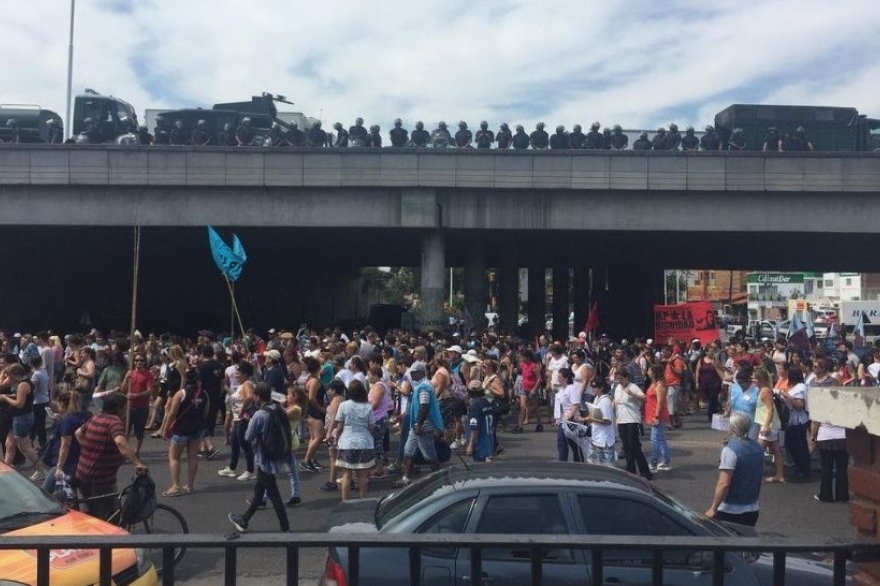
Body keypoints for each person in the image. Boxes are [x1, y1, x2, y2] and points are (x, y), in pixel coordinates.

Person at [74, 393, 148, 521]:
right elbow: (120, 442)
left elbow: (78, 434)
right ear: (119, 409)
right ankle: (106, 539)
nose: (127, 409)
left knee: (92, 512)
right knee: (109, 516)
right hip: (101, 478)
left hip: (82, 474)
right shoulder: (114, 422)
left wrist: (91, 448)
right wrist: (137, 463)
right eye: (126, 407)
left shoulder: (95, 418)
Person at [228, 383, 290, 533]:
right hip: (277, 454)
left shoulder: (259, 415)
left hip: (264, 458)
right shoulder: (277, 409)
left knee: (273, 494)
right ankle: (244, 519)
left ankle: (285, 527)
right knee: (260, 490)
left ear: (258, 396)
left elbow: (248, 436)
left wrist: (250, 422)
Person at [704, 412, 763, 527]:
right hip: (752, 508)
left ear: (732, 428)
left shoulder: (730, 450)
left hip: (730, 510)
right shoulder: (758, 447)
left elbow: (724, 484)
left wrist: (713, 509)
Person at [395, 361, 444, 487]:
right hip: (416, 425)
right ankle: (406, 477)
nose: (411, 374)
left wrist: (419, 425)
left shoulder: (424, 387)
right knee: (409, 451)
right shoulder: (419, 385)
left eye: (413, 372)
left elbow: (424, 406)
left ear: (420, 373)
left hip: (423, 426)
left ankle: (438, 479)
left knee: (429, 454)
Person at [162, 368, 208, 497]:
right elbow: (205, 412)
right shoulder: (204, 394)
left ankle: (176, 485)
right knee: (192, 457)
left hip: (181, 429)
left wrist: (166, 428)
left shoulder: (180, 394)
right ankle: (190, 485)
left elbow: (172, 413)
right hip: (197, 429)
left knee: (174, 456)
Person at [0, 364, 48, 480]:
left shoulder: (23, 385)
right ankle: (6, 471)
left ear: (17, 375)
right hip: (19, 417)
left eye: (11, 377)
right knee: (9, 444)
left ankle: (40, 470)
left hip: (22, 418)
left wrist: (5, 398)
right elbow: (18, 396)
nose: (10, 380)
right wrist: (8, 394)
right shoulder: (24, 383)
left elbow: (19, 404)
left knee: (25, 446)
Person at [329, 379, 375, 500]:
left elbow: (340, 425)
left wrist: (336, 439)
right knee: (362, 475)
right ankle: (363, 499)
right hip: (364, 442)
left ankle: (345, 501)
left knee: (346, 475)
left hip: (347, 442)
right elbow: (371, 426)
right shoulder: (368, 407)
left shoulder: (344, 405)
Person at [811, 358, 848, 502]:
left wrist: (813, 438)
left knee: (826, 468)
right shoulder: (845, 402)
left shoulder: (822, 402)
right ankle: (842, 495)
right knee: (841, 468)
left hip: (825, 436)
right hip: (842, 436)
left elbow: (815, 422)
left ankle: (825, 495)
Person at [42, 390, 89, 498]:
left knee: (46, 494)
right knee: (85, 495)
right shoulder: (86, 416)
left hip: (68, 464)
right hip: (83, 461)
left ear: (62, 404)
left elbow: (65, 445)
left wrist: (59, 467)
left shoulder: (67, 421)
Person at [217, 361, 256, 480]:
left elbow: (250, 397)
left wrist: (242, 410)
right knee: (234, 444)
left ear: (245, 374)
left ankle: (249, 471)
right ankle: (231, 468)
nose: (236, 376)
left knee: (245, 445)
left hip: (243, 419)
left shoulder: (247, 384)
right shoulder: (242, 384)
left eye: (238, 373)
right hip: (237, 419)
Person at [613, 368, 652, 479]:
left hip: (632, 419)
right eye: (617, 379)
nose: (619, 381)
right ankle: (631, 471)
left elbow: (644, 399)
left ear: (626, 377)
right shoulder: (617, 388)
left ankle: (645, 471)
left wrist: (633, 394)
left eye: (621, 378)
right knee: (626, 446)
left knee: (634, 446)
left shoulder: (633, 386)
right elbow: (616, 402)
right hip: (621, 419)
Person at [753, 367, 784, 484]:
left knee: (758, 450)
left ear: (760, 379)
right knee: (776, 450)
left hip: (769, 425)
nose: (752, 381)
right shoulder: (763, 389)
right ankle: (779, 475)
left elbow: (770, 409)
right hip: (770, 424)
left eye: (754, 379)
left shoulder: (765, 391)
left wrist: (766, 426)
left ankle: (754, 474)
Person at [120, 352, 154, 456]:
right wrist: (126, 378)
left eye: (141, 360)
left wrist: (136, 395)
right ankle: (125, 451)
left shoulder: (148, 374)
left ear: (144, 362)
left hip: (141, 408)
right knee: (125, 431)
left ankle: (137, 451)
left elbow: (150, 391)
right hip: (129, 407)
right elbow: (122, 389)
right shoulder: (130, 373)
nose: (138, 362)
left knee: (139, 432)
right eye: (136, 360)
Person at [782, 367, 810, 478]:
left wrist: (788, 397)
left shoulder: (800, 388)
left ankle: (804, 469)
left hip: (799, 421)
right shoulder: (794, 387)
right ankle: (800, 466)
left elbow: (799, 406)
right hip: (792, 421)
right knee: (791, 445)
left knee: (800, 446)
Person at [581, 377, 615, 465]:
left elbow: (608, 421)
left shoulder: (605, 401)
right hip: (597, 437)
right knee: (595, 463)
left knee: (607, 467)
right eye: (591, 386)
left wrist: (591, 419)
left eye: (594, 386)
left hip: (605, 440)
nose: (592, 388)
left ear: (601, 388)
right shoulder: (597, 398)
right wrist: (584, 419)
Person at [646, 364, 671, 472]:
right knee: (660, 439)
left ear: (654, 372)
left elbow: (660, 402)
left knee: (655, 439)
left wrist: (656, 416)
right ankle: (666, 461)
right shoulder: (654, 383)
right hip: (653, 413)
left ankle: (654, 463)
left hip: (658, 415)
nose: (648, 372)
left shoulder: (659, 385)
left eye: (649, 370)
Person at [553, 368, 582, 462]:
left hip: (572, 420)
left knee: (574, 445)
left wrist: (569, 416)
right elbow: (559, 407)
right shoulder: (561, 389)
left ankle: (579, 465)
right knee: (561, 443)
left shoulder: (572, 388)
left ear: (566, 378)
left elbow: (576, 404)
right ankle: (562, 465)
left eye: (560, 377)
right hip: (562, 421)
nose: (558, 379)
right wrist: (558, 420)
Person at [466, 380, 495, 462]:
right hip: (489, 443)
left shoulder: (474, 405)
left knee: (479, 471)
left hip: (479, 444)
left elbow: (475, 428)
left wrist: (471, 445)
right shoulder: (487, 402)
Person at [514, 350, 541, 432]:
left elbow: (539, 378)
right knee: (522, 407)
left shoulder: (534, 366)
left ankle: (539, 423)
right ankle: (520, 426)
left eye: (523, 357)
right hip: (524, 388)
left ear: (528, 357)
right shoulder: (522, 365)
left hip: (532, 388)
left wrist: (534, 389)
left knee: (535, 408)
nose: (522, 359)